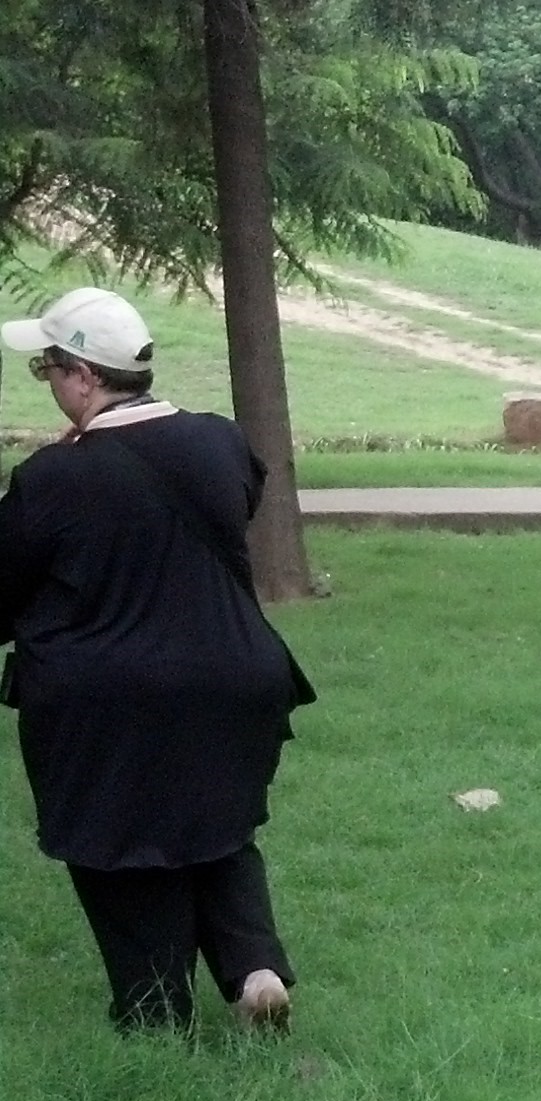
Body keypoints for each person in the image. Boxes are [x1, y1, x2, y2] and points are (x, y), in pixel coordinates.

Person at [1, 286, 312, 1031]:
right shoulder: (218, 441)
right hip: (236, 675)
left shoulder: (55, 478)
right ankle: (255, 972)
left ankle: (154, 1013)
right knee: (219, 828)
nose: (47, 382)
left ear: (83, 375)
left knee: (120, 845)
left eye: (47, 366)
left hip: (110, 699)